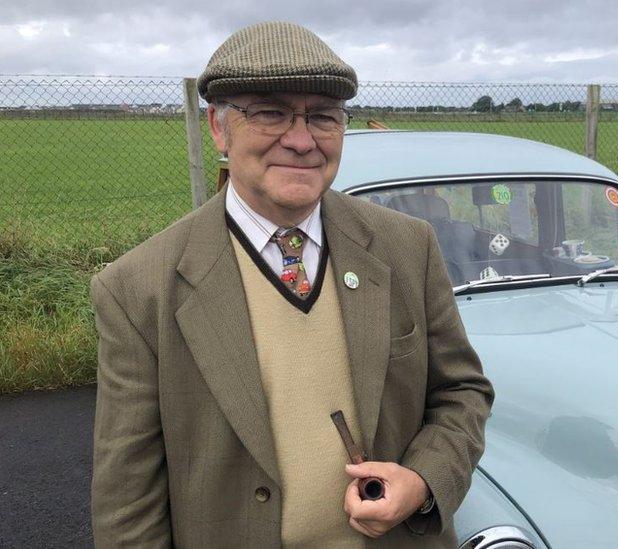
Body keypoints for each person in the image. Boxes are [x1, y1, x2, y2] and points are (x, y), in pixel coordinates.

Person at [90, 21, 493, 548]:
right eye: (270, 112)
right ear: (218, 126)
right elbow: (128, 504)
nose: (301, 140)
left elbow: (462, 392)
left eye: (322, 116)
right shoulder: (138, 290)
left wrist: (421, 481)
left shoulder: (406, 248)